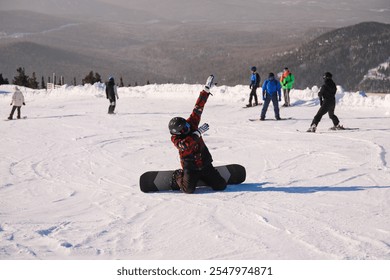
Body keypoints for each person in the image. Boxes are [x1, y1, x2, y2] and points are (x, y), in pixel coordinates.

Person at [169, 75, 227, 194]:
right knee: (188, 190)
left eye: (186, 125)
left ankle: (205, 176)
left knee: (221, 186)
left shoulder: (191, 124)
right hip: (190, 168)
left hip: (205, 164)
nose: (188, 127)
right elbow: (184, 146)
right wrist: (196, 134)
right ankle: (178, 175)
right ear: (179, 132)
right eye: (185, 128)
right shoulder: (175, 139)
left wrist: (206, 90)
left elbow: (198, 108)